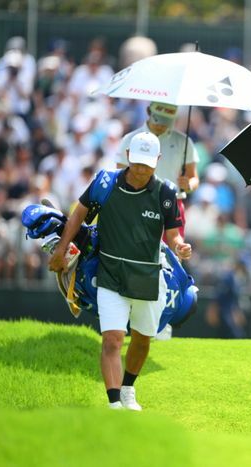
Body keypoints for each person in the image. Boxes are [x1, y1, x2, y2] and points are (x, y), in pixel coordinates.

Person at [49, 132, 193, 410]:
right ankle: (114, 404)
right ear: (127, 156)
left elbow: (173, 236)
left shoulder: (165, 193)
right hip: (111, 274)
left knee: (142, 338)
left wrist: (180, 246)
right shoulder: (105, 182)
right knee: (112, 339)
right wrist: (61, 248)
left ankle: (128, 388)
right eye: (137, 162)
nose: (141, 170)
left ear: (158, 161)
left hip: (148, 277)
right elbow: (79, 213)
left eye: (147, 164)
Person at [117, 101, 200, 235]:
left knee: (172, 253)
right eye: (158, 120)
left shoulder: (184, 141)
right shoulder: (130, 139)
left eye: (167, 121)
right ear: (149, 112)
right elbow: (119, 175)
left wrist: (189, 184)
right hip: (137, 202)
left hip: (173, 204)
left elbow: (194, 178)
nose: (162, 125)